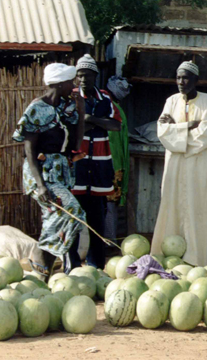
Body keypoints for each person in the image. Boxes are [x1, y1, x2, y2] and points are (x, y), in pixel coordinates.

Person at [13, 63, 87, 278]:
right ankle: (41, 257)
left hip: (62, 170)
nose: (73, 87)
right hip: (43, 173)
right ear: (60, 84)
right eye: (70, 83)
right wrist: (41, 185)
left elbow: (75, 143)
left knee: (54, 217)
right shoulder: (37, 109)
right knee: (70, 210)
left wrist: (81, 113)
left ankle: (43, 271)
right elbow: (29, 149)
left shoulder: (66, 107)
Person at [150, 61, 207, 266]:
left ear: (196, 80)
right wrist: (189, 125)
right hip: (175, 162)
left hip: (199, 163)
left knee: (197, 204)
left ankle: (197, 258)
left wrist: (177, 130)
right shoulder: (171, 101)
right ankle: (169, 256)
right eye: (178, 77)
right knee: (172, 204)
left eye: (186, 77)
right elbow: (162, 132)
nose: (181, 82)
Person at [70, 54, 122, 270]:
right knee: (72, 219)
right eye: (80, 76)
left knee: (97, 219)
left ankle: (96, 266)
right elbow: (72, 126)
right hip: (78, 166)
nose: (83, 80)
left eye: (88, 75)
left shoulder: (105, 99)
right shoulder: (72, 97)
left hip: (100, 165)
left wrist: (89, 120)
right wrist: (98, 124)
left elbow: (116, 125)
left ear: (95, 76)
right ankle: (71, 266)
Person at [105, 76, 131, 249]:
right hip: (114, 166)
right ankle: (109, 242)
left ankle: (107, 242)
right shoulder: (116, 110)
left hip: (104, 163)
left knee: (104, 205)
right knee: (109, 205)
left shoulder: (104, 106)